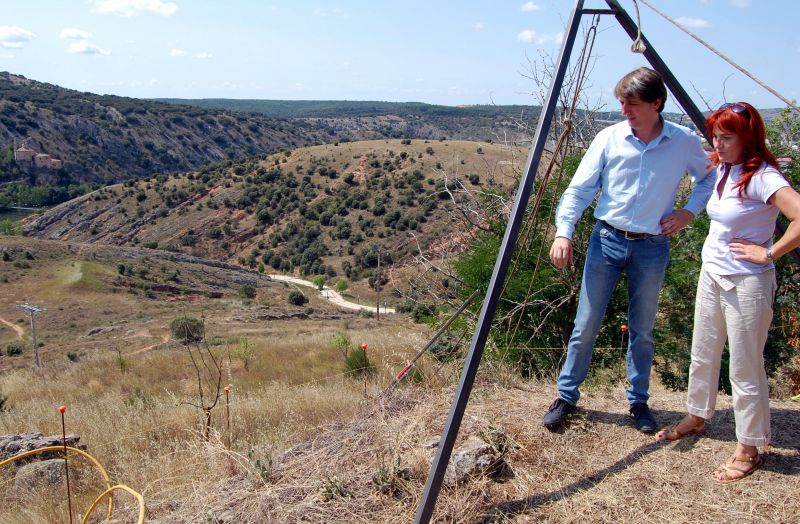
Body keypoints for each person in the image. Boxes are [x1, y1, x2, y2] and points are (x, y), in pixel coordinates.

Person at [543, 67, 715, 433]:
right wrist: (564, 232)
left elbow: (710, 177)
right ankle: (566, 397)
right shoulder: (610, 138)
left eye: (632, 103)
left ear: (656, 103)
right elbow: (580, 189)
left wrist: (689, 212)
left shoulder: (682, 142)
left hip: (652, 247)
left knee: (643, 329)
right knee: (585, 324)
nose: (624, 110)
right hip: (606, 241)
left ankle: (638, 402)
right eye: (622, 102)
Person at [656, 101, 800, 483]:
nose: (718, 144)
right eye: (715, 137)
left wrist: (768, 252)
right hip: (713, 274)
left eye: (727, 137)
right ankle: (697, 415)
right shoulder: (727, 167)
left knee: (745, 366)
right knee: (702, 352)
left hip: (747, 282)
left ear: (747, 139)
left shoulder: (762, 177)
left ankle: (749, 448)